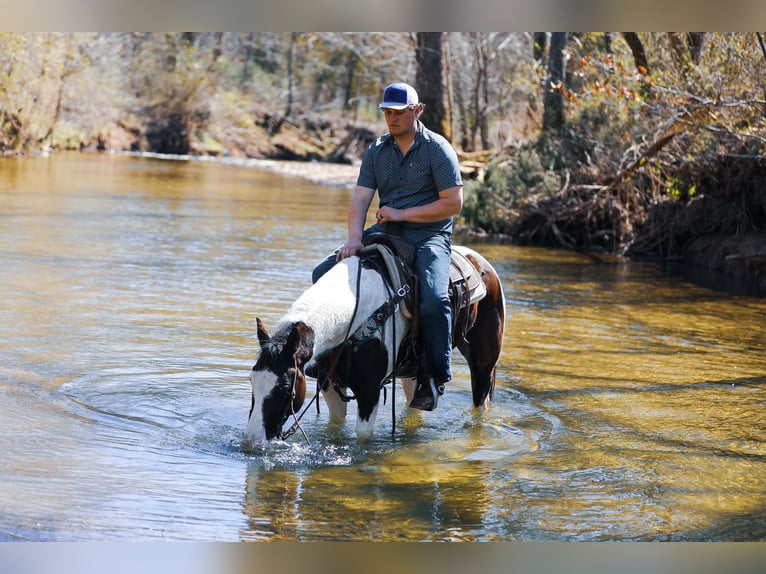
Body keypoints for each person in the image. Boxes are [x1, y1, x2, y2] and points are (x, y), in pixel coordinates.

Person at [311, 81, 463, 411]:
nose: (392, 119)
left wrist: (402, 212)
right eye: (387, 113)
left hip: (429, 237)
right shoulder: (377, 151)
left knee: (435, 300)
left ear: (417, 110)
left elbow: (453, 204)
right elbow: (360, 200)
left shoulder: (438, 150)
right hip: (385, 232)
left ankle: (434, 376)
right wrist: (353, 239)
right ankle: (329, 359)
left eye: (399, 112)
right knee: (321, 273)